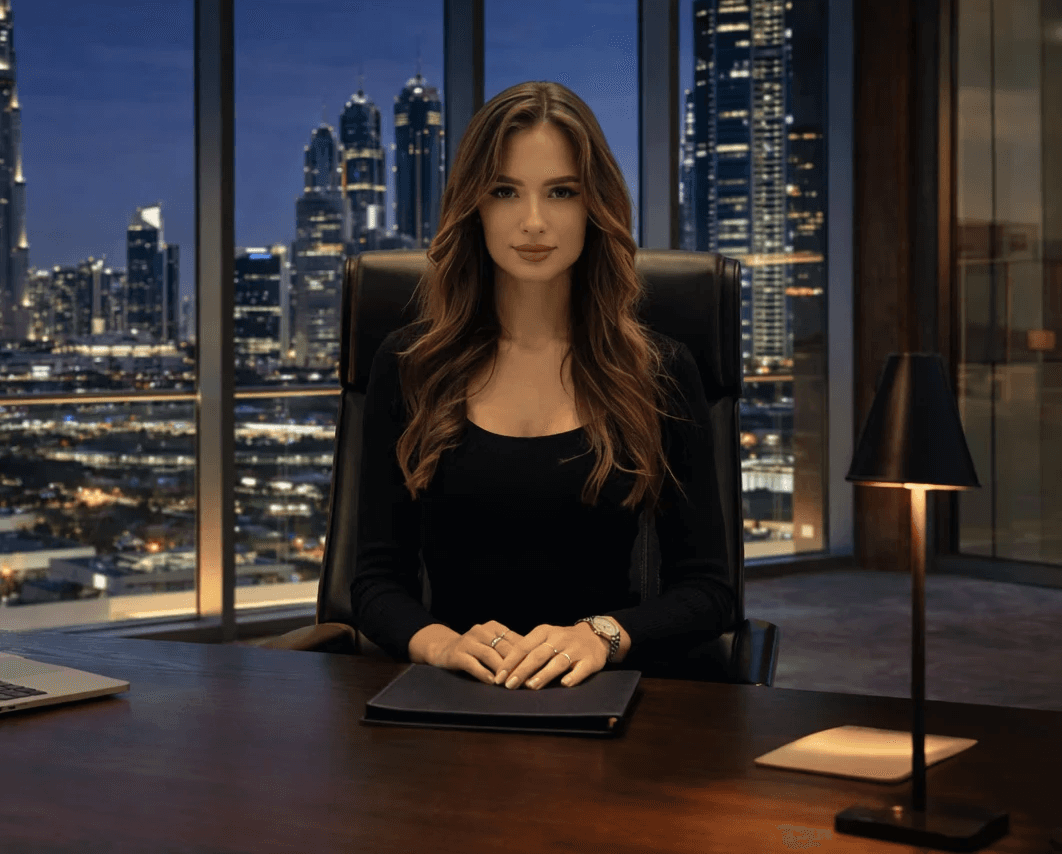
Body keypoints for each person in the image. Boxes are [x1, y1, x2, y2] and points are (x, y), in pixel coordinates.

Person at [351, 80, 735, 690]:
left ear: (594, 208)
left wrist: (601, 635)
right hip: (454, 701)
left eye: (561, 192)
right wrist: (442, 644)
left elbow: (710, 591)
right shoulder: (411, 366)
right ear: (474, 208)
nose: (533, 222)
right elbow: (373, 582)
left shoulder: (657, 373)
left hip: (603, 697)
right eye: (505, 191)